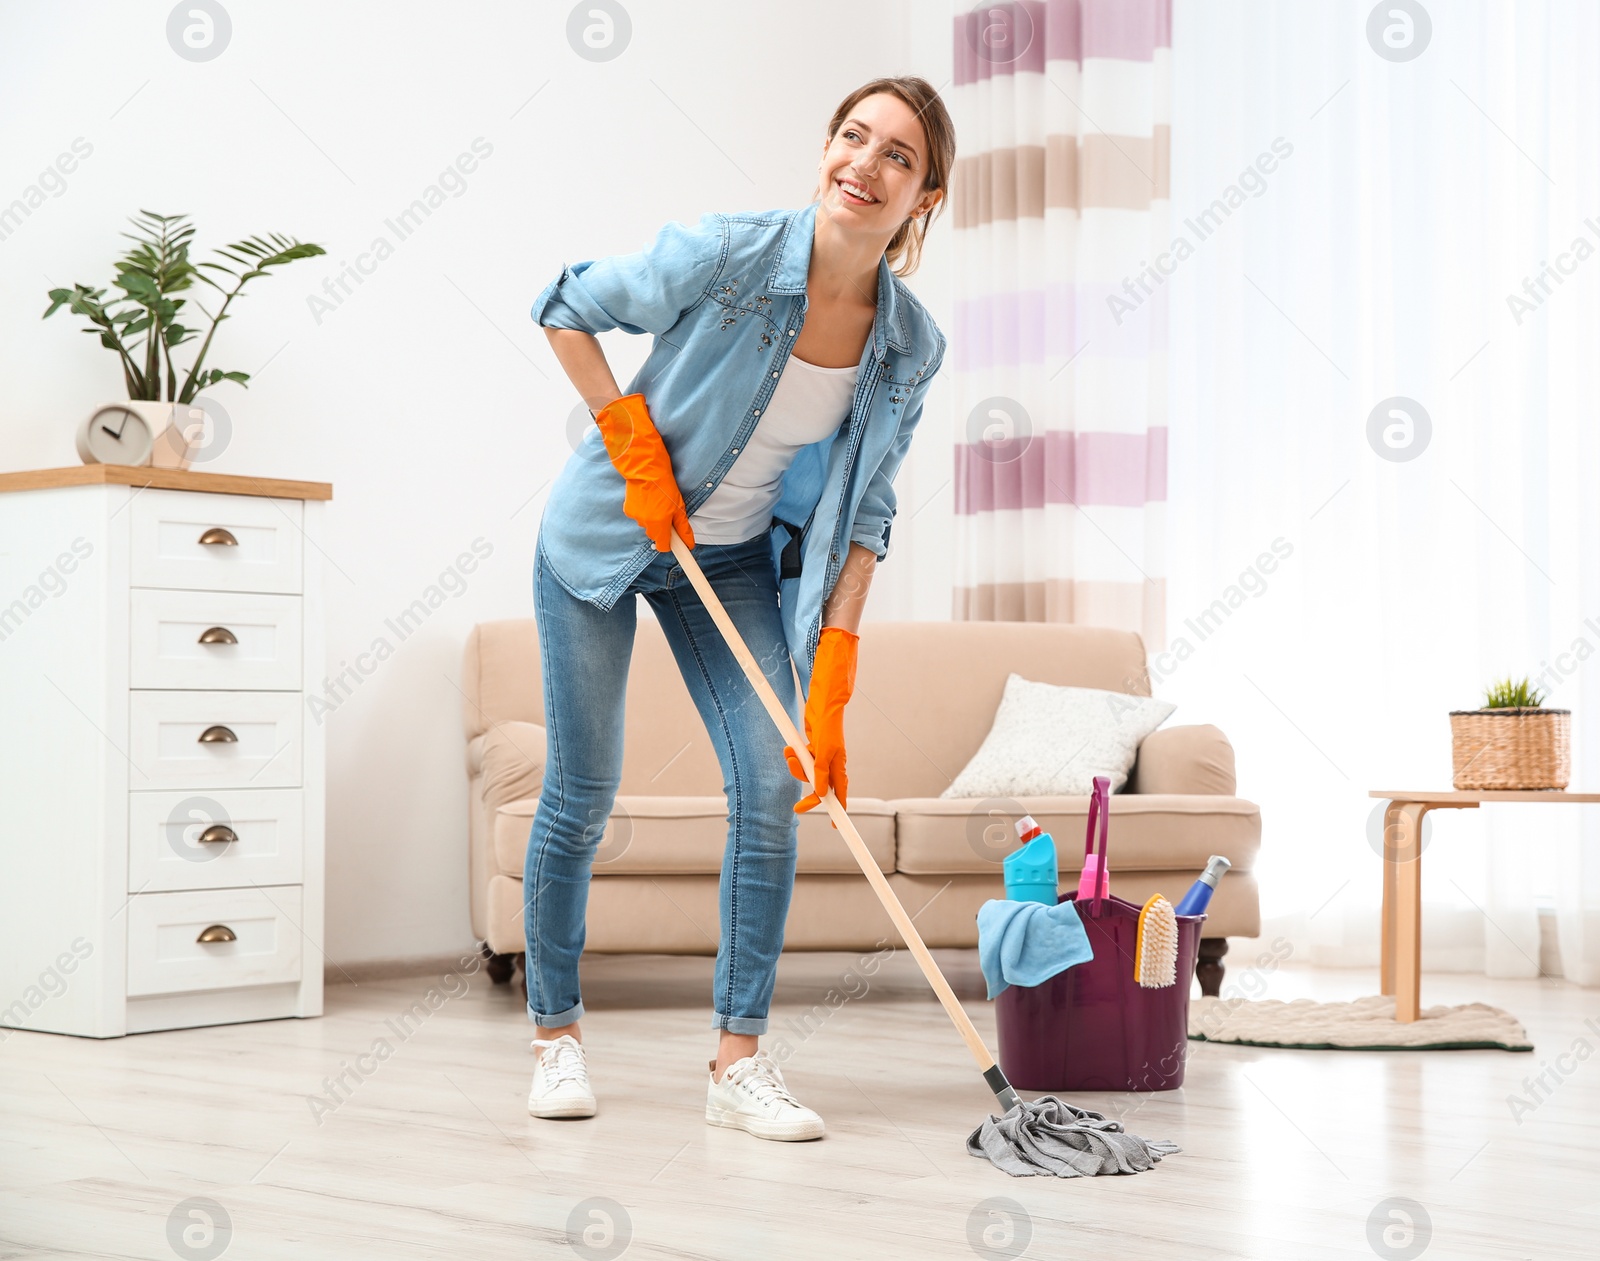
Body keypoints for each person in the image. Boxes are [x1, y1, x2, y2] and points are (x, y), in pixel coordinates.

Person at [522, 76, 954, 1142]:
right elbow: (563, 303)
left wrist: (835, 670)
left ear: (924, 197)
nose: (865, 163)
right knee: (582, 789)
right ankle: (555, 1036)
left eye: (896, 155)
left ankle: (736, 1062)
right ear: (825, 149)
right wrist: (628, 440)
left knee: (770, 781)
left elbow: (869, 508)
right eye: (852, 137)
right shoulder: (730, 253)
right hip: (610, 535)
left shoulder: (910, 345)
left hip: (735, 563)